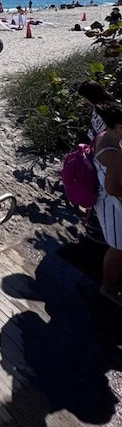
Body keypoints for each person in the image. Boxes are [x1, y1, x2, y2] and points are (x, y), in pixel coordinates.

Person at [92, 103, 122, 303]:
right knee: (118, 248)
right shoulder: (112, 154)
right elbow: (113, 188)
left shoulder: (105, 135)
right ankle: (108, 288)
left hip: (109, 200)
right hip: (113, 205)